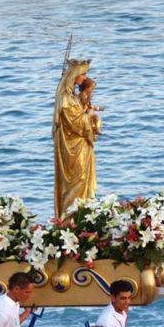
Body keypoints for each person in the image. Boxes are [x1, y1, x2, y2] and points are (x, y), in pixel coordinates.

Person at [52, 58, 101, 216]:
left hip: (81, 145)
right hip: (73, 147)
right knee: (76, 181)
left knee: (82, 181)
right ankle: (70, 220)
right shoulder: (66, 98)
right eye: (83, 74)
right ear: (74, 75)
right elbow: (77, 124)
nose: (85, 78)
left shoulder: (72, 96)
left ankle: (82, 216)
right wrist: (90, 116)